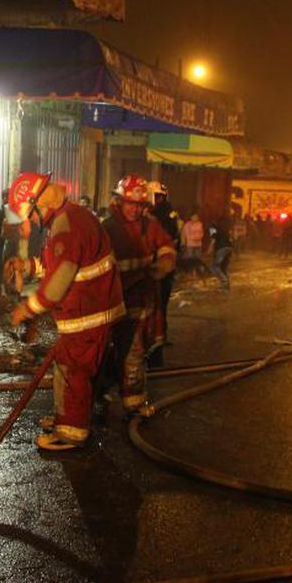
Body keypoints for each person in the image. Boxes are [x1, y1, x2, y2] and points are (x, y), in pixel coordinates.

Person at [7, 172, 125, 451]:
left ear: (39, 204)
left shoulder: (67, 226)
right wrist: (30, 267)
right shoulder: (68, 218)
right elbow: (60, 264)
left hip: (89, 312)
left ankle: (72, 431)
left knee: (74, 369)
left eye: (30, 215)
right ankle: (68, 419)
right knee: (68, 364)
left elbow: (58, 283)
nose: (31, 221)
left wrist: (27, 308)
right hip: (89, 308)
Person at [102, 174, 176, 417]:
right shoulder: (108, 228)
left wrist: (165, 262)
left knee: (134, 351)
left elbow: (166, 245)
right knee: (106, 351)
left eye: (139, 205)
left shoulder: (149, 224)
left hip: (140, 298)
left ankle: (133, 401)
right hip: (112, 300)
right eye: (130, 203)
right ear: (119, 202)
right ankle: (100, 394)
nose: (134, 209)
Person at [147, 182, 179, 366]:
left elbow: (168, 236)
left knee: (159, 306)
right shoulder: (151, 214)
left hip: (159, 269)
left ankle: (157, 348)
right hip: (153, 269)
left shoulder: (163, 213)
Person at [208, 214, 234, 290]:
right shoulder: (226, 226)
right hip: (229, 247)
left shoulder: (212, 227)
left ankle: (224, 281)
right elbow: (232, 236)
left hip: (221, 247)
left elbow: (214, 238)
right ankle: (226, 284)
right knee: (224, 267)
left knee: (214, 267)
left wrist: (210, 247)